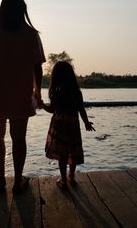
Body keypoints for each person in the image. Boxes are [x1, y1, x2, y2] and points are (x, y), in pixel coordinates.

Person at [0, 0, 45, 192]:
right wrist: (37, 91)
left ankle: (1, 179)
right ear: (23, 11)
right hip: (21, 93)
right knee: (19, 138)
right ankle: (18, 180)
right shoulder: (31, 34)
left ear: (2, 8)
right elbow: (37, 66)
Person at [41, 61, 95, 189]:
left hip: (60, 127)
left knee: (62, 154)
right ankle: (72, 176)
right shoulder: (77, 92)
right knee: (73, 151)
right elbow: (81, 109)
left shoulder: (57, 92)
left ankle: (63, 180)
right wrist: (86, 123)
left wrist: (41, 104)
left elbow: (51, 110)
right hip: (73, 126)